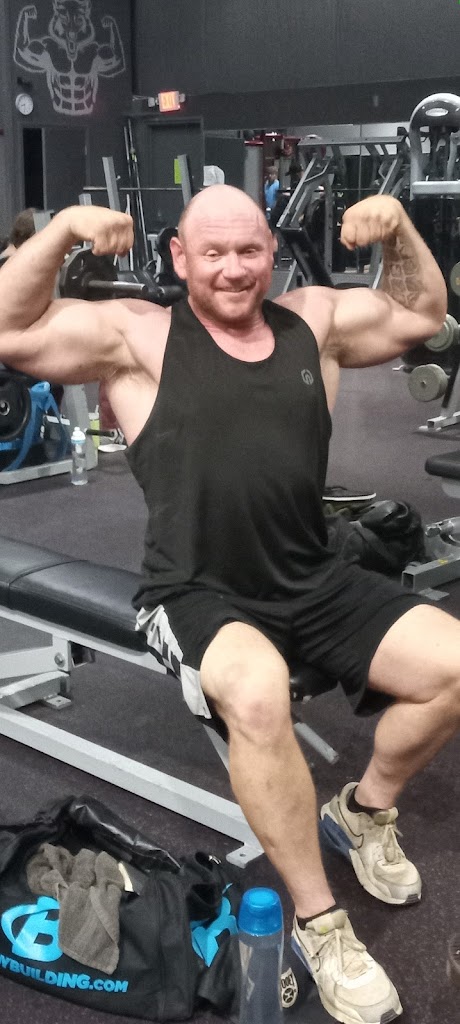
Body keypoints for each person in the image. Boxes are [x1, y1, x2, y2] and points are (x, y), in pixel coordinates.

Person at [0, 187, 458, 1024]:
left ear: (271, 251)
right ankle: (320, 923)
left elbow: (424, 312)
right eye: (212, 253)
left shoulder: (313, 319)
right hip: (194, 589)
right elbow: (10, 329)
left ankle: (363, 811)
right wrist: (62, 231)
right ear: (180, 257)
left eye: (249, 250)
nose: (234, 269)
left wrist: (398, 227)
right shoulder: (137, 335)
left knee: (453, 667)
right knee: (255, 692)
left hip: (314, 575)